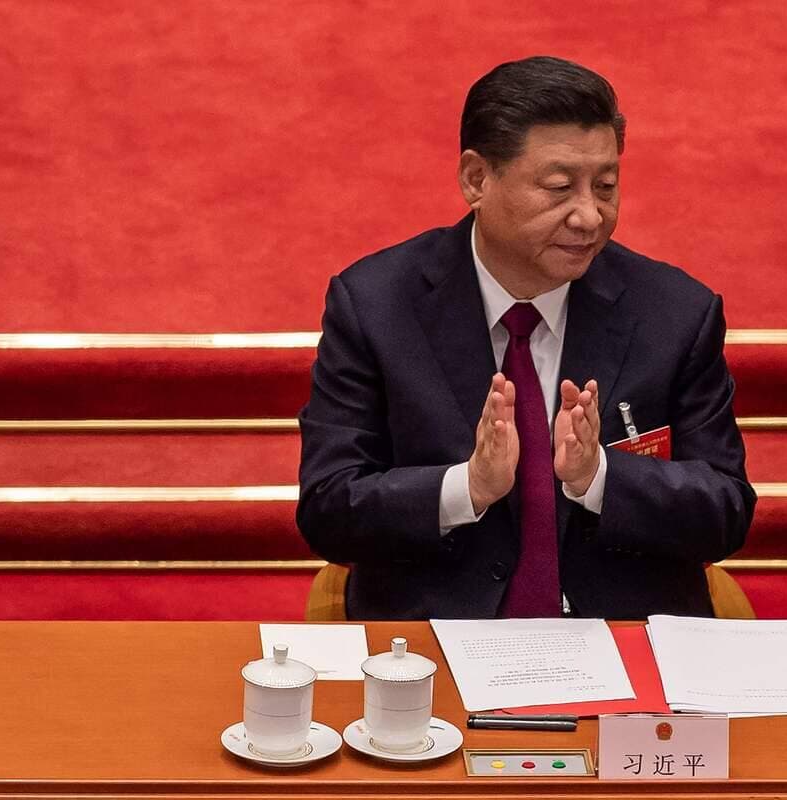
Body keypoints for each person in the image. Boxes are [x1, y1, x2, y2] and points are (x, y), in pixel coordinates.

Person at [297, 55, 755, 620]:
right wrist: (466, 487)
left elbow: (727, 511)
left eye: (605, 187)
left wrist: (599, 477)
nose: (590, 217)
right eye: (559, 188)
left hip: (622, 632)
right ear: (476, 179)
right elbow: (328, 510)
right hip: (437, 637)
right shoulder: (376, 306)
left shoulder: (674, 313)